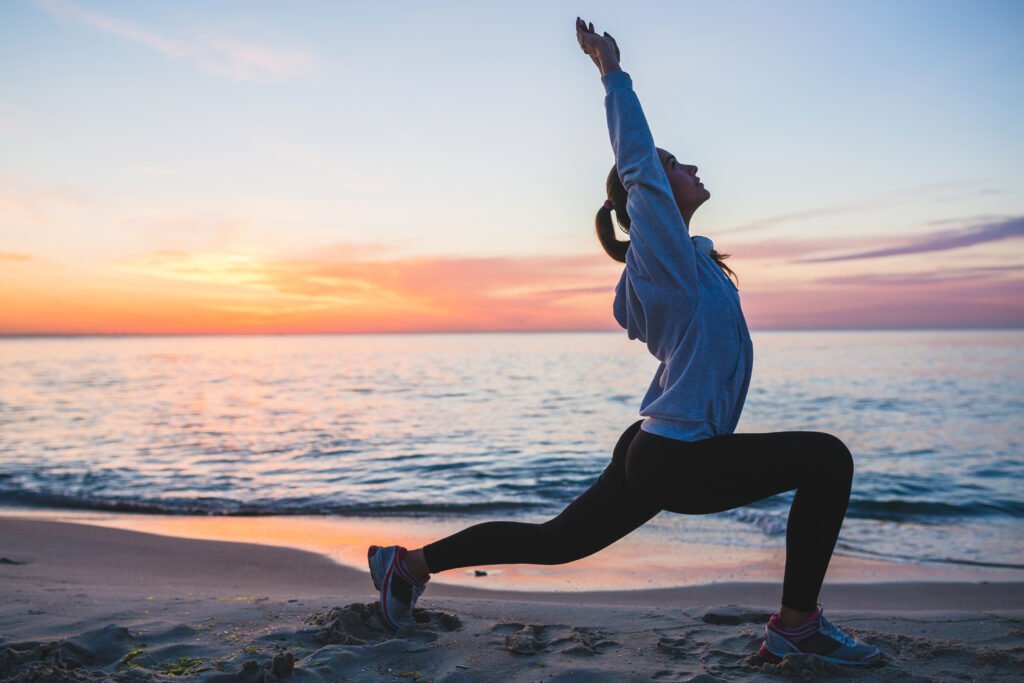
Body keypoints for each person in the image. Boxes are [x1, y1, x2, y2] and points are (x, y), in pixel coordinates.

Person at [367, 17, 882, 668]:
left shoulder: (687, 261)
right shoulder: (660, 258)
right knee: (828, 460)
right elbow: (637, 164)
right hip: (676, 455)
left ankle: (407, 566)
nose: (689, 166)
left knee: (557, 541)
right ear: (654, 197)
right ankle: (798, 626)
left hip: (662, 446)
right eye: (674, 164)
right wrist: (612, 72)